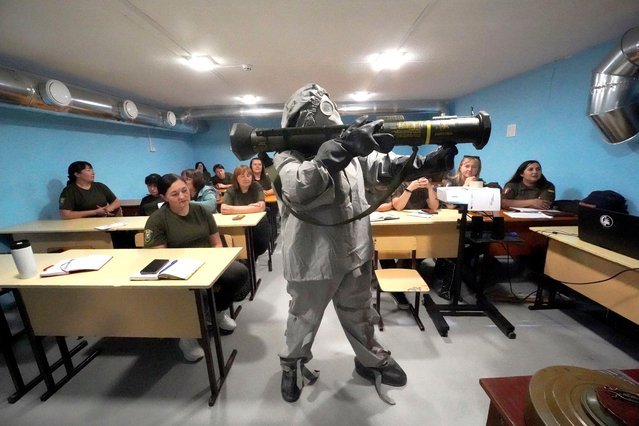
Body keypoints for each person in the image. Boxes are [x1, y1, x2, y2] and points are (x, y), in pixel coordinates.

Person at [269, 83, 457, 403]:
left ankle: (370, 362)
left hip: (353, 252)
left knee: (361, 313)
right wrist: (339, 150)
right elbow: (300, 187)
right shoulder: (286, 158)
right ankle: (292, 365)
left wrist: (426, 163)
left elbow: (384, 169)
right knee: (303, 318)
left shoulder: (351, 153)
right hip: (312, 259)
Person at [143, 174, 250, 362]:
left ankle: (217, 312)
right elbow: (159, 258)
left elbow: (216, 243)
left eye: (184, 190)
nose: (182, 197)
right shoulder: (157, 219)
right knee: (195, 292)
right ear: (164, 198)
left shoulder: (201, 211)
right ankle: (187, 335)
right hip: (178, 268)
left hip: (208, 262)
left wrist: (213, 262)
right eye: (174, 194)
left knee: (239, 273)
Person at [220, 165, 270, 260]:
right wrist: (250, 208)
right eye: (242, 176)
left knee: (256, 248)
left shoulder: (256, 186)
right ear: (236, 178)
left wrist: (233, 209)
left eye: (248, 175)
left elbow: (261, 207)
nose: (246, 178)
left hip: (258, 225)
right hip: (238, 226)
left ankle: (250, 263)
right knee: (237, 245)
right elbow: (224, 209)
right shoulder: (231, 189)